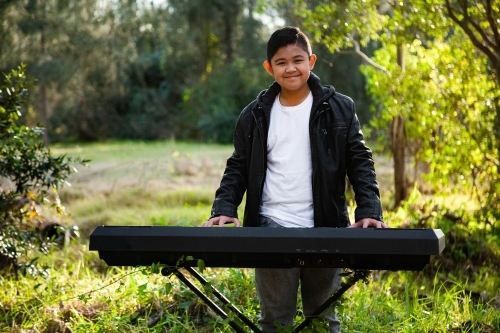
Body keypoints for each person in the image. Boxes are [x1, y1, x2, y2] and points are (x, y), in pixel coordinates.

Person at [202, 26, 387, 333]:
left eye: (297, 60)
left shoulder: (340, 108)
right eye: (281, 62)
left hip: (326, 227)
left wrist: (369, 210)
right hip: (272, 228)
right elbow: (238, 166)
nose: (290, 68)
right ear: (269, 68)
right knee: (274, 321)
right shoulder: (254, 115)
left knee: (323, 320)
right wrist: (224, 207)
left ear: (311, 61)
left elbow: (360, 162)